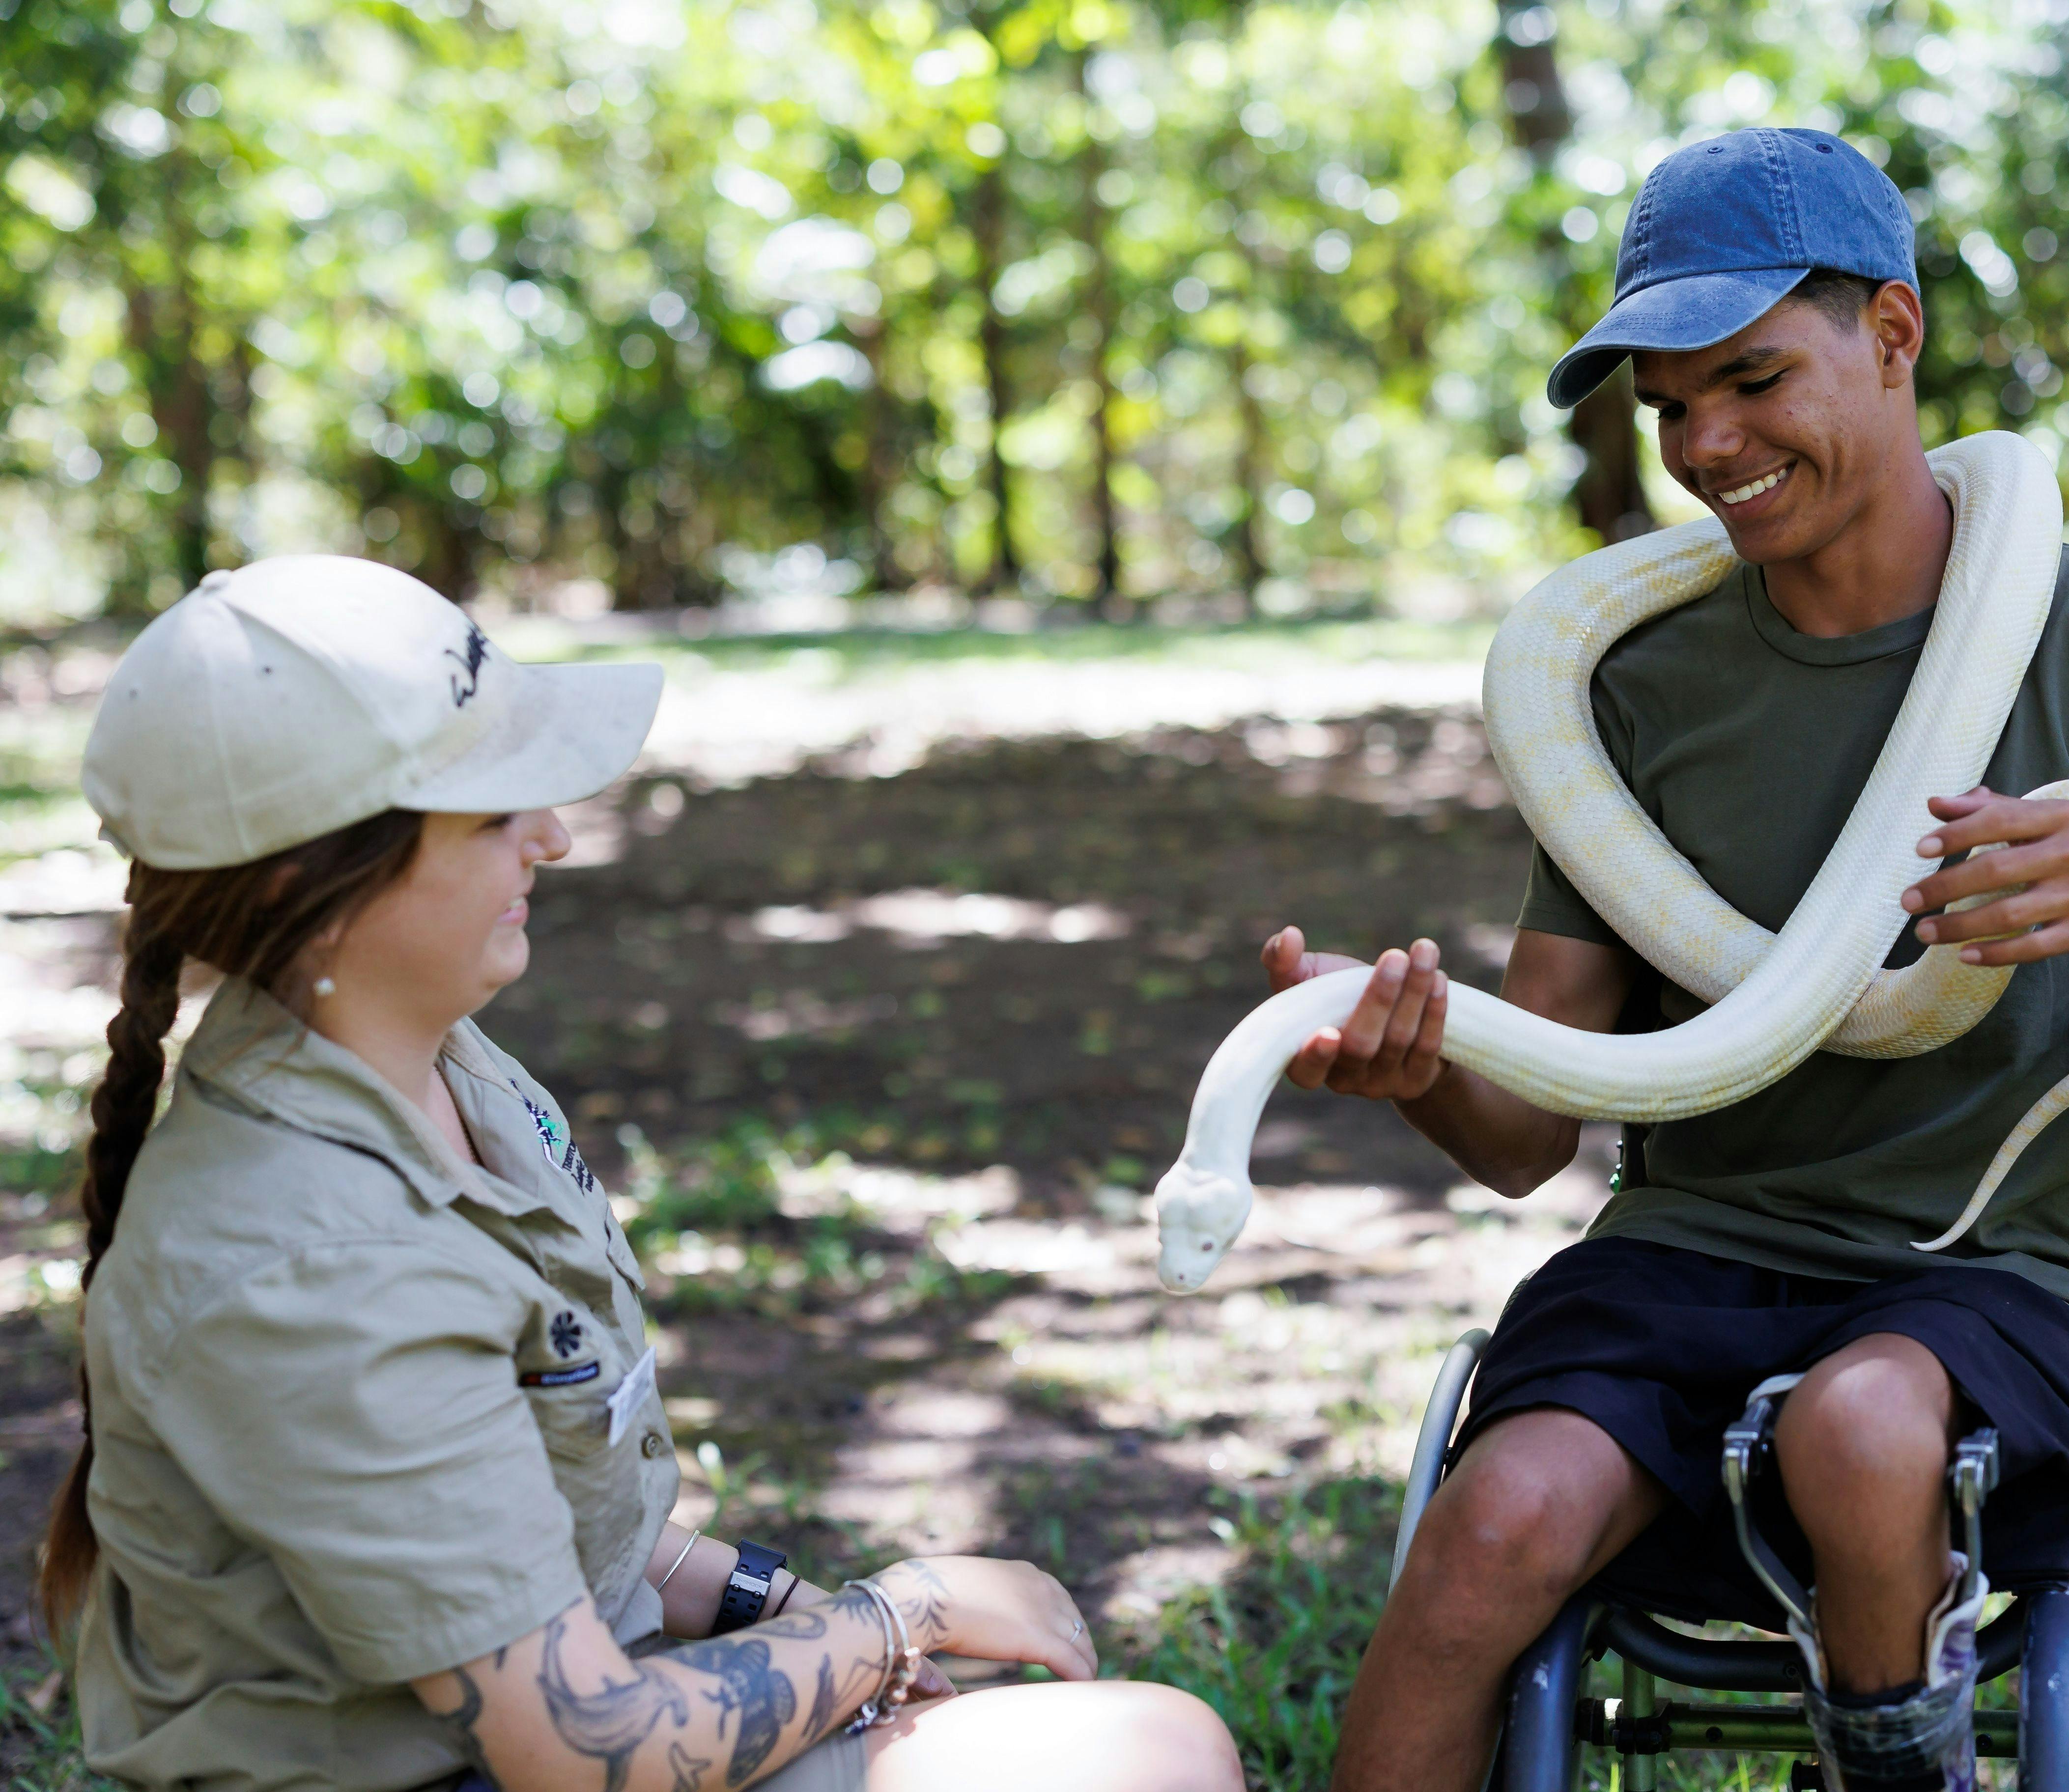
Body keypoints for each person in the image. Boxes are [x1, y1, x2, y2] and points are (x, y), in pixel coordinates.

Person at [1262, 129, 2069, 1792]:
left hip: (1987, 1278)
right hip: (1680, 1256)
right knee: (1496, 1521)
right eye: (1671, 405)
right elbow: (1537, 1129)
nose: (1708, 444)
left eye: (1751, 378)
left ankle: (1884, 1763)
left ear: (1894, 337)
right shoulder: (1635, 683)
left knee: (1862, 1421)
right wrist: (1422, 1064)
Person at [41, 557, 1243, 1792]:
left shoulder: (439, 1063)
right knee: (1148, 1760)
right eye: (496, 810)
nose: (554, 838)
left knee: (1113, 1743)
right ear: (312, 884)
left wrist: (778, 1607)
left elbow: (563, 1533)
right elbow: (582, 1746)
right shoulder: (308, 1263)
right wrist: (901, 1616)